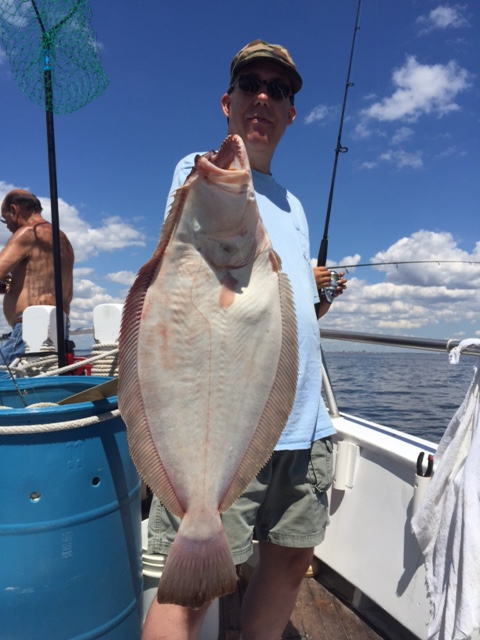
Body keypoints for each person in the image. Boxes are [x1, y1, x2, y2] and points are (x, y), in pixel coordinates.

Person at [142, 40, 347, 640]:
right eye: (250, 84)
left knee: (288, 564)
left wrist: (317, 297)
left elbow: (277, 309)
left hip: (306, 422)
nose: (263, 96)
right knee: (191, 589)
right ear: (227, 102)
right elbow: (196, 281)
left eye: (278, 89)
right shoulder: (199, 171)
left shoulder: (297, 206)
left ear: (290, 112)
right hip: (224, 423)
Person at [0, 189, 74, 369]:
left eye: (5, 219)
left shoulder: (28, 233)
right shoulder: (62, 238)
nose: (7, 226)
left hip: (29, 329)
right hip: (59, 327)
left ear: (14, 210)